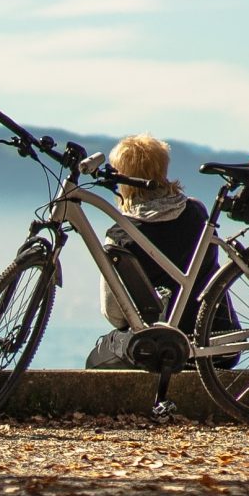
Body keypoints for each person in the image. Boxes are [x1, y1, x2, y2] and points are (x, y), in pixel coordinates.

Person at [87, 133, 225, 368]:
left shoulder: (119, 236)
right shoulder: (198, 213)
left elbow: (114, 314)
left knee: (97, 358)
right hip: (219, 345)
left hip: (161, 351)